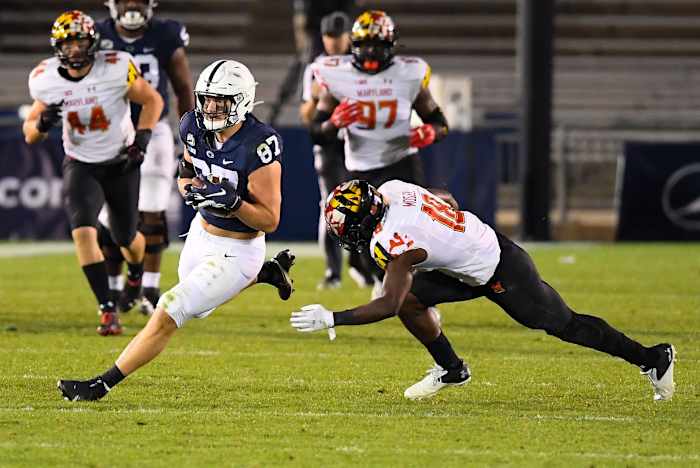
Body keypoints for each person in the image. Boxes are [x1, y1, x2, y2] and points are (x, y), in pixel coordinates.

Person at [290, 179, 677, 402]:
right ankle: (451, 369)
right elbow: (445, 197)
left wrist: (332, 318)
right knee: (412, 300)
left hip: (498, 268)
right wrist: (449, 236)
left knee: (564, 325)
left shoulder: (395, 240)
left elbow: (386, 303)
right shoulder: (390, 189)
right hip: (463, 263)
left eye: (345, 225)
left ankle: (652, 358)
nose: (345, 233)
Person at [58, 59, 294, 401]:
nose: (210, 108)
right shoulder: (193, 126)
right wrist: (191, 191)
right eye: (207, 99)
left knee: (171, 307)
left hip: (238, 249)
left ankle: (102, 384)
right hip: (201, 235)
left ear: (241, 101)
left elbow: (270, 219)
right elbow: (185, 173)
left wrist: (232, 203)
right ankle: (266, 273)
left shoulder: (259, 145)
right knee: (199, 307)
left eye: (220, 101)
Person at [23, 10, 164, 336]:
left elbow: (152, 100)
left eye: (80, 40)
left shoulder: (115, 66)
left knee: (126, 237)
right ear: (58, 45)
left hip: (120, 162)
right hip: (81, 163)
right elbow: (29, 132)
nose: (75, 48)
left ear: (93, 41)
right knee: (83, 231)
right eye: (68, 42)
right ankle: (106, 309)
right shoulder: (45, 78)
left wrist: (142, 137)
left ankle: (135, 273)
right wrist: (41, 124)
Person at [309, 10, 450, 292]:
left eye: (378, 45)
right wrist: (334, 123)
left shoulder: (409, 73)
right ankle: (378, 280)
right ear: (354, 44)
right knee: (363, 232)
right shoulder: (337, 74)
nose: (371, 51)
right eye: (365, 45)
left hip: (402, 161)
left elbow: (439, 122)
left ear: (391, 46)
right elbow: (316, 131)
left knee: (414, 229)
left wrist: (430, 132)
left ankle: (417, 291)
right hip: (360, 165)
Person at [96, 0, 195, 314]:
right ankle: (113, 289)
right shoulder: (96, 35)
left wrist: (190, 137)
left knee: (153, 211)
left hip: (154, 129)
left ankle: (149, 287)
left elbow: (182, 88)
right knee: (109, 215)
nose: (132, 5)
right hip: (109, 131)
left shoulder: (166, 34)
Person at [300, 11, 373, 289]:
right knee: (330, 204)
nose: (332, 42)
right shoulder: (317, 67)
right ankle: (334, 271)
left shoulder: (364, 63)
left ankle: (361, 264)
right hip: (330, 142)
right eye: (328, 37)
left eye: (337, 37)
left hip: (360, 141)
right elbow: (306, 114)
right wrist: (319, 98)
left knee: (366, 204)